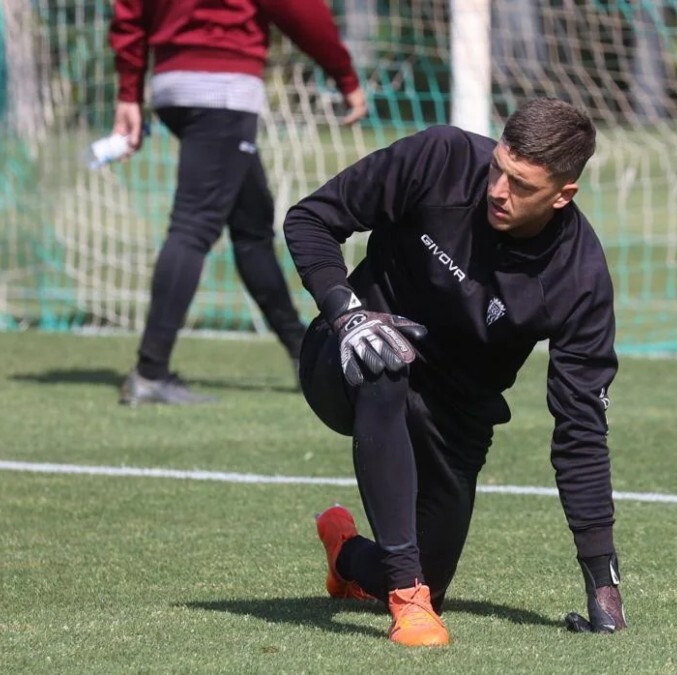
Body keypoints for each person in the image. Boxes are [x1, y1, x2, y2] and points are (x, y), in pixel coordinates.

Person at [285, 97, 627, 647]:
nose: (498, 190)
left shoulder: (579, 278)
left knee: (431, 575)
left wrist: (603, 587)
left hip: (455, 415)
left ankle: (350, 557)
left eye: (521, 185)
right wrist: (346, 313)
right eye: (498, 167)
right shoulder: (440, 158)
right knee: (385, 356)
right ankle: (407, 600)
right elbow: (309, 219)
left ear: (563, 195)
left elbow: (580, 429)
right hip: (345, 354)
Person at [109, 0, 368, 405]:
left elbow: (129, 10)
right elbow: (298, 8)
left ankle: (304, 352)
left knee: (251, 228)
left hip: (172, 84)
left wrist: (129, 91)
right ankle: (150, 372)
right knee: (193, 226)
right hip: (221, 87)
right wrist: (345, 75)